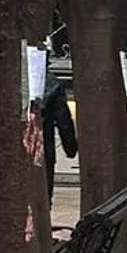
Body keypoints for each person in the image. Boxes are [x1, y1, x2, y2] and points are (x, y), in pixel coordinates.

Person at [42, 76, 78, 206]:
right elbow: (64, 123)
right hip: (43, 149)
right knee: (43, 196)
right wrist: (71, 148)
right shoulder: (53, 84)